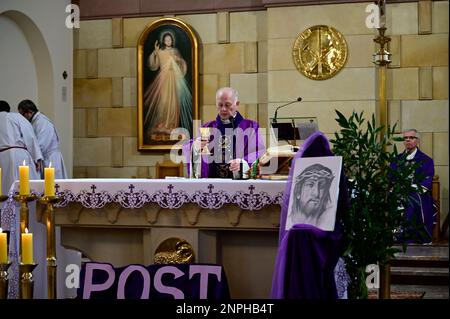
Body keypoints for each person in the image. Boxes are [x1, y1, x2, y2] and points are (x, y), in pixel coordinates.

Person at [184, 87, 265, 179]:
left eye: (227, 105)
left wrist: (243, 163)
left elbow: (258, 152)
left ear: (237, 104)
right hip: (211, 185)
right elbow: (189, 146)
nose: (223, 109)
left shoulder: (250, 126)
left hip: (240, 185)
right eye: (220, 105)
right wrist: (195, 147)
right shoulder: (207, 127)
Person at [143, 31, 192, 141]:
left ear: (172, 40)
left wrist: (178, 60)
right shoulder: (160, 51)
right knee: (163, 102)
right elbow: (153, 65)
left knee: (173, 102)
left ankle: (171, 125)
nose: (168, 41)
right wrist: (155, 53)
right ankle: (161, 124)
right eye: (166, 40)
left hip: (173, 79)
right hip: (163, 80)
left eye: (170, 39)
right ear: (163, 41)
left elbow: (182, 64)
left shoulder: (175, 51)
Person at [392, 129, 435, 244]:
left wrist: (410, 188)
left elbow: (427, 180)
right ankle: (397, 235)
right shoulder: (397, 160)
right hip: (399, 191)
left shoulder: (426, 160)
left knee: (413, 200)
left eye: (411, 138)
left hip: (418, 193)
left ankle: (415, 236)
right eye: (405, 138)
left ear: (417, 141)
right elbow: (391, 177)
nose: (408, 140)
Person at [0, 100, 43, 195]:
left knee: (4, 190)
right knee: (26, 188)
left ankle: (6, 210)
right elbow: (30, 136)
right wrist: (37, 158)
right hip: (21, 155)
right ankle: (27, 209)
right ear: (8, 110)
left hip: (2, 158)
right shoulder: (16, 117)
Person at [18, 99, 67, 179]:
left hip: (50, 159)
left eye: (22, 115)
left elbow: (41, 144)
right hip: (45, 158)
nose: (23, 118)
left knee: (54, 187)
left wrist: (32, 157)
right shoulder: (35, 122)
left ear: (29, 112)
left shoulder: (42, 122)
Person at [287, 163, 335, 230]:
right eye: (310, 185)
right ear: (298, 192)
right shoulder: (290, 221)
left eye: (321, 186)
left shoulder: (326, 222)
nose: (316, 193)